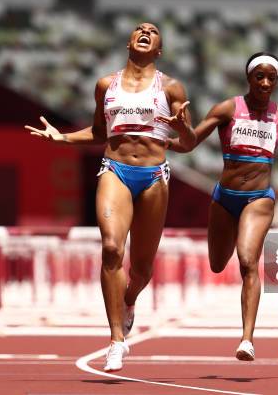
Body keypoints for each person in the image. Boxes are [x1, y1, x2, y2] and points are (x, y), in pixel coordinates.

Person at [25, 22, 195, 372]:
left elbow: (188, 144)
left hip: (153, 177)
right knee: (112, 249)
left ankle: (129, 300)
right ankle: (116, 339)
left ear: (159, 49)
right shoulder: (106, 85)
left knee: (143, 268)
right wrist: (63, 138)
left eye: (153, 31)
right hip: (115, 170)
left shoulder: (172, 87)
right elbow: (100, 133)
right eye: (139, 29)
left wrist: (181, 127)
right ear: (130, 42)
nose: (146, 31)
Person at [159, 52, 278, 361]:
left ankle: (247, 339)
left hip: (259, 199)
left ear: (276, 81)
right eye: (258, 76)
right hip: (224, 198)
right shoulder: (228, 108)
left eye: (270, 78)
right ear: (249, 78)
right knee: (218, 263)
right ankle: (245, 330)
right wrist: (175, 134)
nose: (264, 82)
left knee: (248, 262)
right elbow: (191, 142)